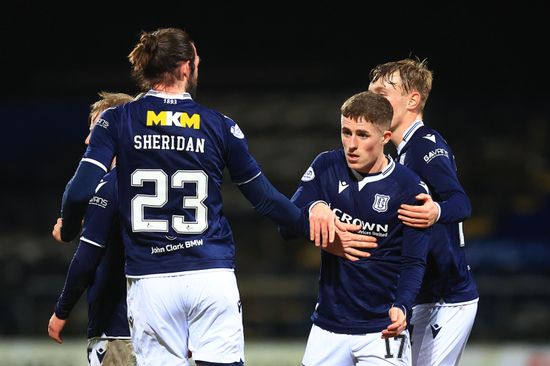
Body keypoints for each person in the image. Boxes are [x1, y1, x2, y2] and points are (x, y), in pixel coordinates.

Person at [54, 28, 372, 365]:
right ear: (185, 68)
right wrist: (313, 231)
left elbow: (78, 193)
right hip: (210, 275)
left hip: (151, 282)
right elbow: (263, 197)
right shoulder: (219, 125)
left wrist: (70, 227)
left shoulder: (117, 120)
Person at [281, 91, 431, 365]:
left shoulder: (408, 188)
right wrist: (315, 208)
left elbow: (414, 261)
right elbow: (287, 227)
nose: (351, 144)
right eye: (346, 132)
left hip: (382, 329)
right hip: (327, 327)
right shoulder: (326, 165)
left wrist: (403, 306)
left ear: (385, 138)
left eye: (362, 135)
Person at [368, 58, 479, 366]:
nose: (373, 101)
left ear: (413, 99)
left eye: (383, 93)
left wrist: (437, 211)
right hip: (422, 298)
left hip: (447, 299)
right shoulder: (397, 155)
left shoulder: (424, 145)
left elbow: (461, 202)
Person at [48, 92, 136, 366]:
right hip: (163, 325)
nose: (89, 140)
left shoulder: (111, 186)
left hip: (117, 330)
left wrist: (61, 311)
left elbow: (86, 260)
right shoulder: (158, 185)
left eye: (96, 131)